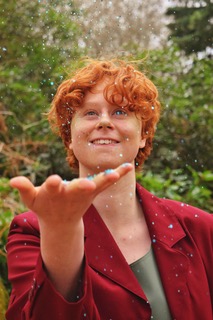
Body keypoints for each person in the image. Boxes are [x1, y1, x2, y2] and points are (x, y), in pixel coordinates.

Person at [6, 59, 212, 320]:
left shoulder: (201, 229)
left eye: (120, 112)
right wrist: (61, 234)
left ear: (144, 135)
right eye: (90, 113)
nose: (104, 121)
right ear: (69, 136)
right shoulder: (32, 231)